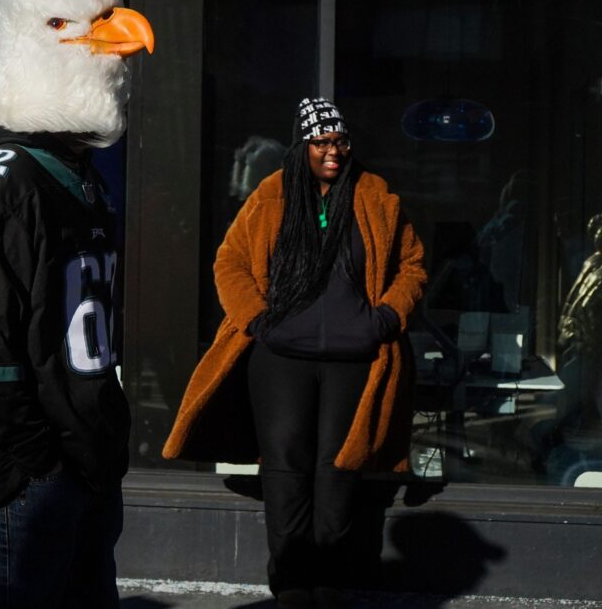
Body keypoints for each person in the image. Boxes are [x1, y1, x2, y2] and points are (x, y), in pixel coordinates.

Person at [0, 0, 152, 608]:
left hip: (75, 473)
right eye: (67, 24)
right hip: (21, 487)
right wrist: (42, 472)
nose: (117, 32)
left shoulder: (76, 179)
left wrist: (90, 462)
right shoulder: (0, 186)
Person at [163, 98, 426, 608]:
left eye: (340, 141)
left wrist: (386, 318)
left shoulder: (374, 195)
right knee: (285, 463)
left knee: (338, 467)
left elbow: (412, 265)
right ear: (302, 145)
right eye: (322, 142)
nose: (333, 151)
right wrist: (259, 320)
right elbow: (231, 260)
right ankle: (289, 582)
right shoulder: (272, 195)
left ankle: (329, 578)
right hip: (281, 356)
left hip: (356, 356)